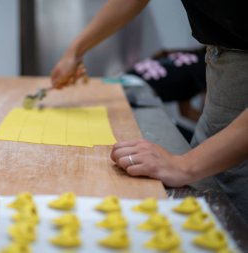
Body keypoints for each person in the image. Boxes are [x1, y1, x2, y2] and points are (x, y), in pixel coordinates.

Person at [50, 0, 248, 222]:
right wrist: (75, 52)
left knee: (234, 221)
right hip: (221, 72)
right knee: (205, 209)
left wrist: (185, 165)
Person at [126, 47, 206, 122]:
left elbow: (185, 111)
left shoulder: (190, 57)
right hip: (140, 92)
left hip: (126, 79)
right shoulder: (206, 69)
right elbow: (189, 112)